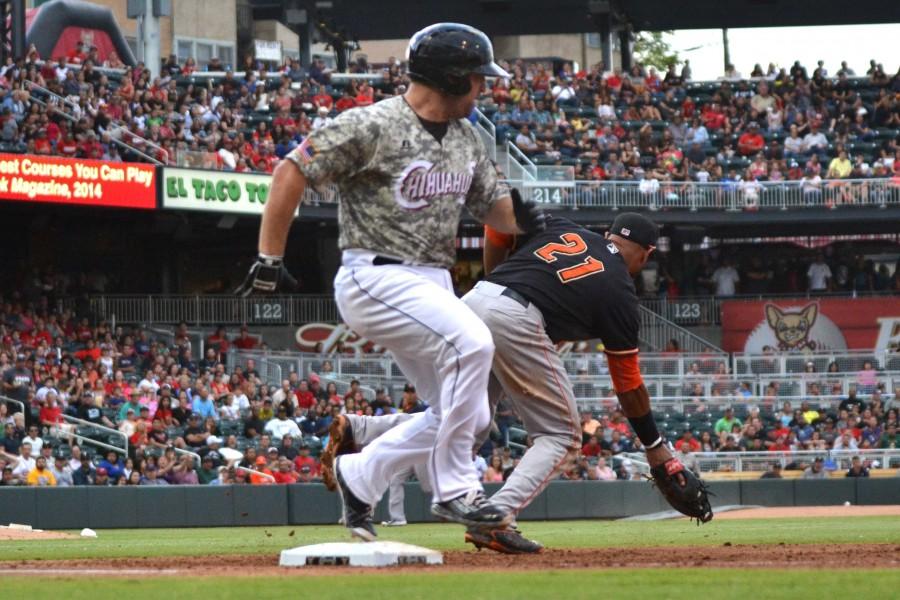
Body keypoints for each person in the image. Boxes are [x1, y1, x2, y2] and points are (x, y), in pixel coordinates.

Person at [236, 22, 537, 541]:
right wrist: (269, 257)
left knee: (471, 414)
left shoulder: (466, 138)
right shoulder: (373, 124)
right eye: (477, 78)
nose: (484, 87)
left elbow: (496, 208)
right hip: (375, 275)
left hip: (432, 284)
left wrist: (539, 221)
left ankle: (361, 474)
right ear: (450, 77)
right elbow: (293, 171)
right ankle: (455, 491)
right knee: (472, 345)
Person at [321, 212, 712, 553]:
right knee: (560, 434)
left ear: (610, 235)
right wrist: (655, 446)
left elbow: (496, 230)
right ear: (645, 253)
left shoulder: (564, 228)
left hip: (474, 303)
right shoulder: (620, 292)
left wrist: (493, 279)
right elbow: (627, 384)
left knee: (468, 419)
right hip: (517, 318)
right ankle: (496, 518)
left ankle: (363, 430)